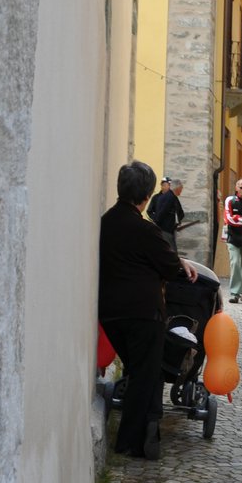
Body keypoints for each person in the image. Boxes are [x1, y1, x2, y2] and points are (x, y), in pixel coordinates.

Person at [99, 161, 199, 460]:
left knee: (137, 370)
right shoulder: (145, 229)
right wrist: (179, 261)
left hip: (110, 313)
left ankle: (141, 437)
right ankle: (131, 442)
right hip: (143, 313)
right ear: (145, 197)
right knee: (145, 376)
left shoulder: (105, 222)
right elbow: (169, 266)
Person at [147, 176, 183, 250]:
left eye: (170, 185)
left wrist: (178, 222)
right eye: (167, 185)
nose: (169, 186)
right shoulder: (156, 198)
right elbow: (150, 211)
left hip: (171, 230)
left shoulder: (173, 197)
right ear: (162, 186)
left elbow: (180, 211)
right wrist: (155, 220)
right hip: (161, 229)